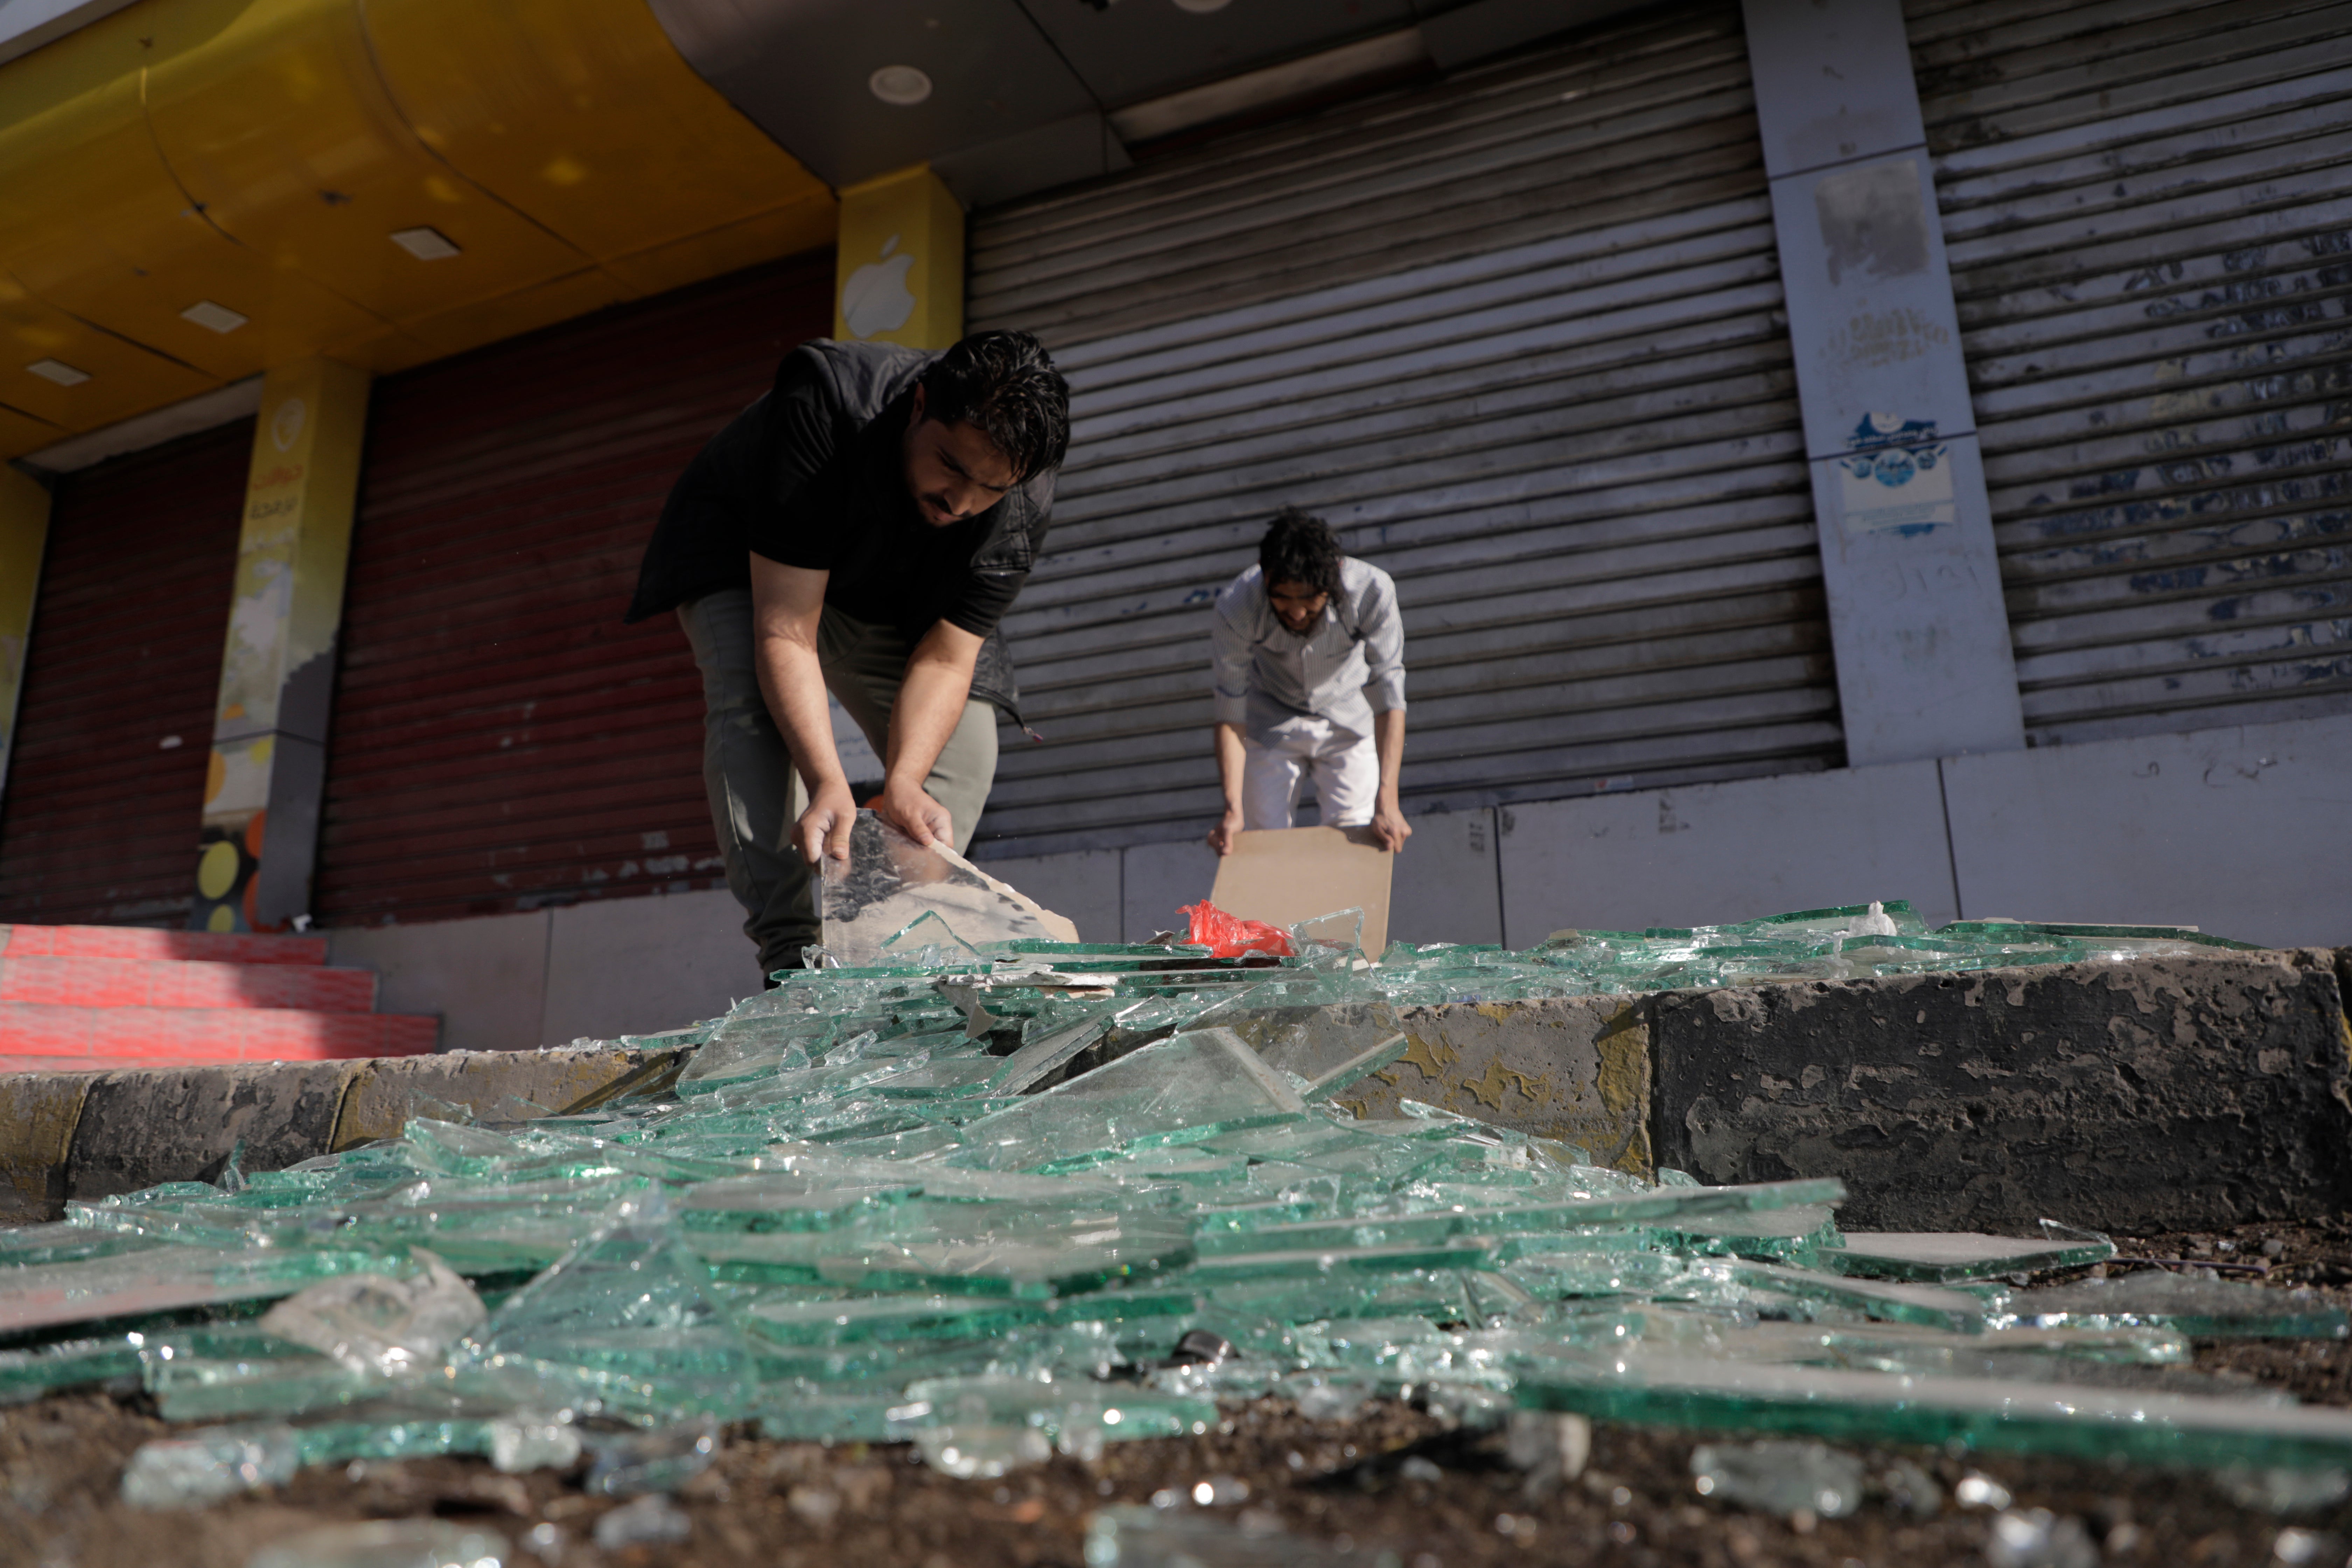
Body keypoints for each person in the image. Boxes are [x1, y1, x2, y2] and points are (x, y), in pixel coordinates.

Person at [625, 331, 1070, 978]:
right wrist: (828, 780)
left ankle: (881, 953)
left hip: (895, 590)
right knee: (751, 712)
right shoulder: (827, 406)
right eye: (951, 465)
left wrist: (905, 782)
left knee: (965, 749)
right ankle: (791, 956)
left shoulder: (1021, 502)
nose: (962, 502)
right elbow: (785, 631)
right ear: (919, 406)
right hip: (749, 559)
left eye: (990, 489)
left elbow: (948, 659)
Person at [1206, 508, 1411, 857]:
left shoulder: (1373, 590)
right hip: (1271, 718)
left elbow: (1390, 696)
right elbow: (1230, 707)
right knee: (1260, 843)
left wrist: (1388, 801)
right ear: (1265, 575)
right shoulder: (1237, 604)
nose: (1298, 613)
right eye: (1283, 598)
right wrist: (1232, 809)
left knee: (1356, 839)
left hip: (1349, 716)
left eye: (1310, 600)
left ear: (1334, 580)